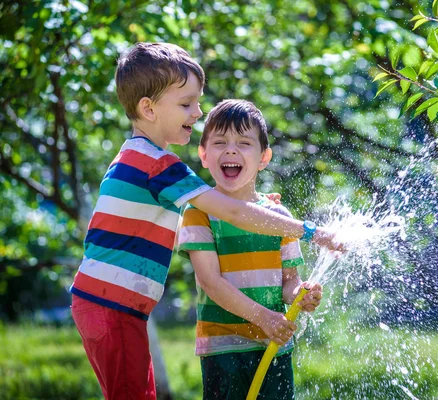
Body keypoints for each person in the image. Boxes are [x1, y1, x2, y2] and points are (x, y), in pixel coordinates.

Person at [69, 43, 337, 400]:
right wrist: (312, 232)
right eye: (186, 103)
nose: (198, 111)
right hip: (112, 306)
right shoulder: (156, 164)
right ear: (148, 108)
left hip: (110, 304)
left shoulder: (136, 155)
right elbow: (233, 211)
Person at [178, 99, 323, 400]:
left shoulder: (280, 219)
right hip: (224, 348)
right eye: (220, 142)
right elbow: (210, 283)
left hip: (274, 346)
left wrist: (300, 295)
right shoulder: (198, 214)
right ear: (203, 155)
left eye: (244, 143)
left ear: (264, 157)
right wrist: (266, 319)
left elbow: (288, 282)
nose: (231, 150)